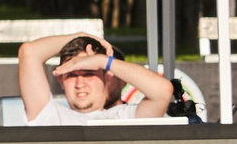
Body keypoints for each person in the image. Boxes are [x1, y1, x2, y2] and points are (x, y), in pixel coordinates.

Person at [16, 31, 171, 124]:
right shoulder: (48, 116)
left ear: (107, 78)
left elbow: (163, 92)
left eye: (89, 73)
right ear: (60, 80)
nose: (80, 83)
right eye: (71, 75)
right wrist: (81, 36)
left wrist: (103, 61)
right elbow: (29, 52)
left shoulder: (123, 118)